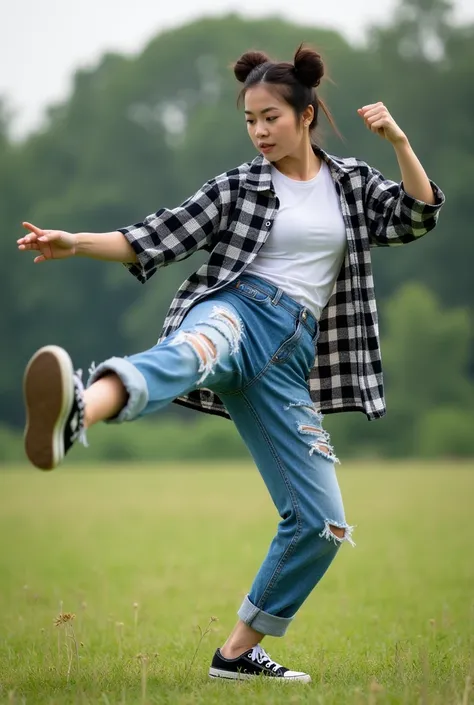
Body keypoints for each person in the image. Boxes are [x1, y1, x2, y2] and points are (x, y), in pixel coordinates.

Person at [17, 45, 444, 683]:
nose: (259, 131)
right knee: (185, 355)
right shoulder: (240, 186)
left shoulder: (350, 182)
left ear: (306, 116)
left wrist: (400, 142)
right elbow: (154, 236)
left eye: (270, 117)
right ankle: (80, 409)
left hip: (289, 357)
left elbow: (414, 216)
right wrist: (73, 241)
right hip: (238, 311)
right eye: (249, 120)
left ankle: (237, 656)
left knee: (321, 523)